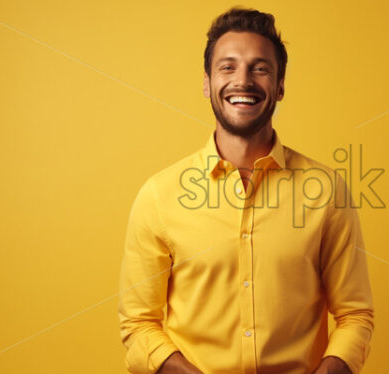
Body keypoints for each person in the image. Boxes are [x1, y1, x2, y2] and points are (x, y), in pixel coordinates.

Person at [118, 7, 374, 374]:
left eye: (260, 68)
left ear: (280, 85)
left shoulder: (327, 191)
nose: (243, 81)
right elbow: (138, 324)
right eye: (228, 66)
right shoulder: (159, 195)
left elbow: (355, 315)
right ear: (206, 82)